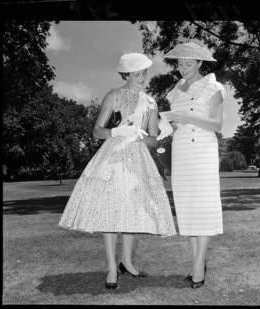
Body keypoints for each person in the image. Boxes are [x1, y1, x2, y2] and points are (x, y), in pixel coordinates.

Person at [58, 53, 176, 289]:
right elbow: (97, 131)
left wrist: (155, 135)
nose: (141, 77)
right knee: (110, 213)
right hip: (113, 157)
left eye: (144, 73)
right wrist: (117, 131)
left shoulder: (150, 102)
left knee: (131, 211)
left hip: (138, 158)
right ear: (126, 75)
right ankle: (112, 267)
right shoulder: (113, 95)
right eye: (136, 74)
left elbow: (153, 140)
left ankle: (127, 263)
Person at [159, 42, 225, 289]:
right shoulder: (174, 92)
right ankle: (198, 261)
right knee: (188, 208)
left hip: (203, 150)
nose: (183, 68)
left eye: (188, 63)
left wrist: (186, 118)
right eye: (179, 63)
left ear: (200, 63)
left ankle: (198, 266)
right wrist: (168, 126)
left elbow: (217, 124)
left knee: (203, 206)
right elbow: (176, 125)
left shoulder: (213, 87)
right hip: (182, 152)